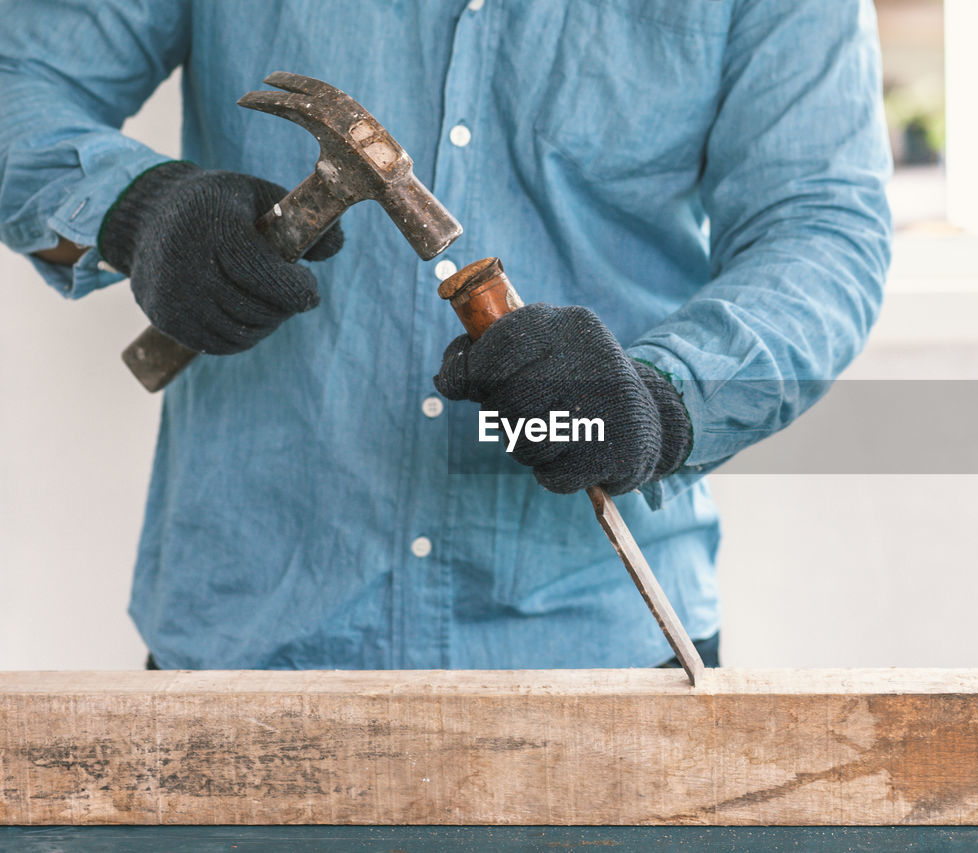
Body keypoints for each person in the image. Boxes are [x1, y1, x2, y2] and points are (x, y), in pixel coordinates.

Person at [0, 1, 892, 670]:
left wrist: (667, 396)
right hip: (246, 641)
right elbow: (18, 74)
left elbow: (822, 226)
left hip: (601, 657)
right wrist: (136, 208)